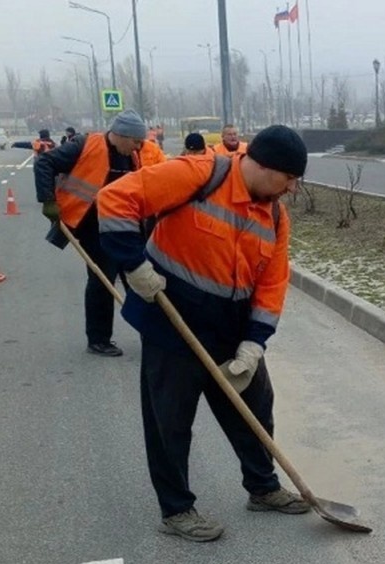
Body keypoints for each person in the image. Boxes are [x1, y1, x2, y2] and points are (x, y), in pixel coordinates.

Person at [97, 125, 309, 542]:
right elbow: (115, 199)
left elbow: (272, 283)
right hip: (172, 317)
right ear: (265, 167)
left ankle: (262, 487)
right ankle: (176, 509)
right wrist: (134, 267)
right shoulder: (200, 174)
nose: (291, 189)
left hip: (231, 326)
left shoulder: (275, 215)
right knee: (170, 419)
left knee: (255, 406)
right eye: (288, 179)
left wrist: (253, 343)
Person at [34, 109, 147, 357]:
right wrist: (48, 200)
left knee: (139, 278)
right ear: (121, 135)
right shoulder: (84, 145)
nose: (139, 146)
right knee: (102, 279)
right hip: (91, 224)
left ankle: (151, 337)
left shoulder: (132, 156)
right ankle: (98, 339)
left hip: (123, 225)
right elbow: (45, 162)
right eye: (136, 141)